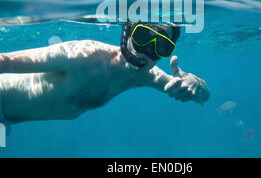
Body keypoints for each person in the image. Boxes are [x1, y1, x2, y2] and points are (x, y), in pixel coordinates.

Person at [0, 22, 209, 125]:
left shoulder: (145, 76)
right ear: (127, 32)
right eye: (143, 36)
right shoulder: (83, 55)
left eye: (162, 47)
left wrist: (196, 84)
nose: (146, 51)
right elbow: (6, 62)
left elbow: (202, 97)